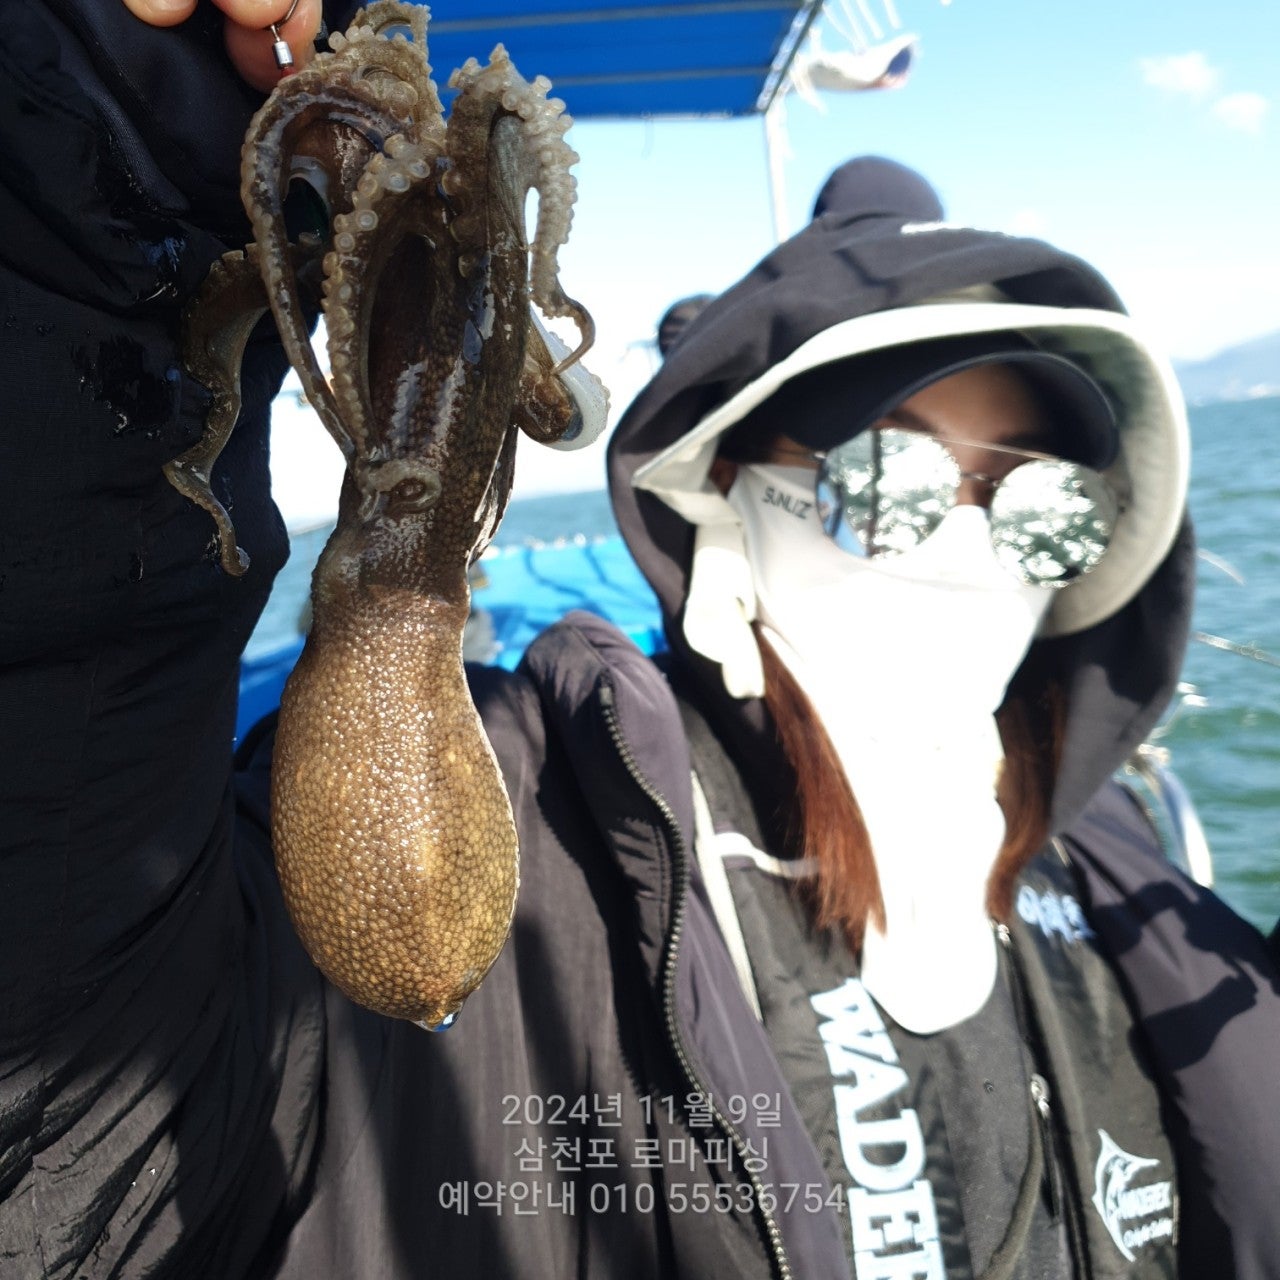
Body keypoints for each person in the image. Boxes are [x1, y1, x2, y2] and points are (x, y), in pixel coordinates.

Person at [2, 0, 1278, 1274]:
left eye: (1046, 504)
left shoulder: (1154, 906)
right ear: (724, 496)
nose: (966, 548)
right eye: (881, 480)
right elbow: (87, 1118)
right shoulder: (556, 816)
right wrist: (104, 190)